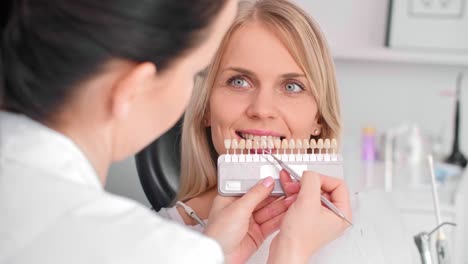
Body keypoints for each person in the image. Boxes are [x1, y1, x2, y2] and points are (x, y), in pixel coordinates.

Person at [0, 0, 350, 263]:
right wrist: (289, 252)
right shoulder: (154, 247)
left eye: (292, 87)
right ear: (132, 88)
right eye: (193, 73)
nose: (262, 109)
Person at [158, 0, 352, 263]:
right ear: (205, 108)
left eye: (292, 86)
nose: (262, 109)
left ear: (319, 118)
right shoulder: (152, 242)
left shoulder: (361, 228)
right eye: (239, 82)